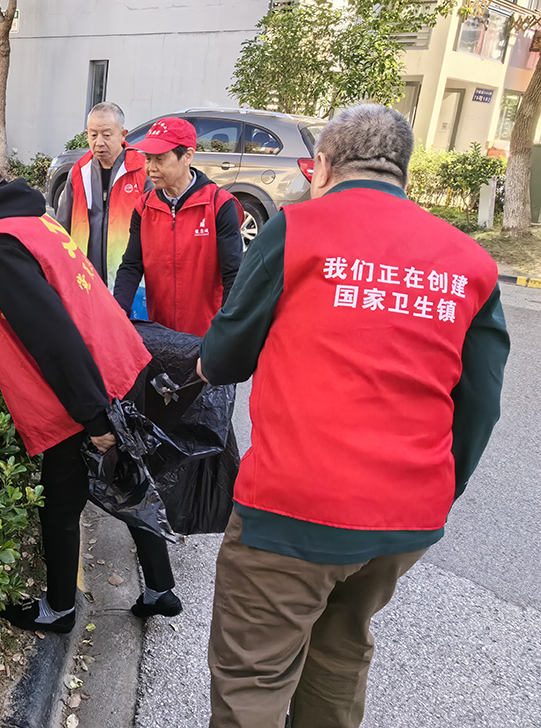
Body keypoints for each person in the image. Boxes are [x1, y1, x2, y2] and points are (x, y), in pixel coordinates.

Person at [197, 104, 510, 728]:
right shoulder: (471, 262)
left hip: (292, 512)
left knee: (252, 679)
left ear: (325, 167)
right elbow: (482, 402)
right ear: (404, 174)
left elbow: (224, 359)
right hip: (404, 519)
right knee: (340, 657)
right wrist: (439, 490)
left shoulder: (297, 229)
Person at [0, 148, 182, 633]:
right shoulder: (20, 216)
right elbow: (22, 296)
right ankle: (160, 588)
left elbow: (53, 340)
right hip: (117, 358)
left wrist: (95, 421)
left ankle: (59, 609)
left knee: (60, 504)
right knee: (129, 475)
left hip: (88, 385)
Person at [113, 117, 244, 336]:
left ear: (188, 156)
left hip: (207, 334)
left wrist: (226, 332)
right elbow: (132, 265)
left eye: (160, 159)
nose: (151, 168)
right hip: (161, 331)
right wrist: (117, 311)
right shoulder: (144, 207)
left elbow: (234, 274)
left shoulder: (219, 205)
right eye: (148, 159)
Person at [55, 102, 151, 290]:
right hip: (84, 280)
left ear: (123, 135)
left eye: (106, 135)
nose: (99, 142)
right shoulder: (79, 171)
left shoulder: (142, 170)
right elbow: (62, 227)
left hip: (130, 283)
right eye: (93, 135)